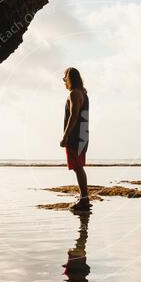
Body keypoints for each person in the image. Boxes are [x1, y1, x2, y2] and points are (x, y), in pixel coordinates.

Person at [60, 67, 90, 212]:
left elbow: (74, 115)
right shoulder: (83, 93)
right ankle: (84, 198)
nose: (64, 82)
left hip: (75, 136)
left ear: (69, 79)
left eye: (64, 79)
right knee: (79, 167)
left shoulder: (74, 93)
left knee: (78, 168)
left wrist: (65, 136)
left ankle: (84, 200)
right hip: (83, 134)